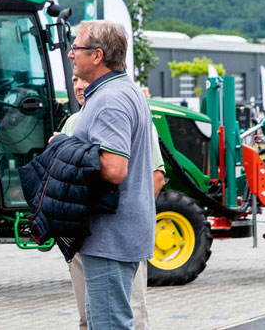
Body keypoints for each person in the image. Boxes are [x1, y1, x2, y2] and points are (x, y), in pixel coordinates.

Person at [67, 20, 155, 329]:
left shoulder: (110, 100)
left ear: (97, 55)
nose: (69, 55)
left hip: (110, 235)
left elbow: (115, 169)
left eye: (75, 48)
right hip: (119, 233)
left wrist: (65, 150)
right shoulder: (122, 90)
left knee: (109, 324)